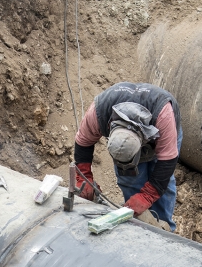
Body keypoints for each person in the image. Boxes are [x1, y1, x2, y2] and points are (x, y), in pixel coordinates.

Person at [73, 82, 183, 232]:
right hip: (135, 133)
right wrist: (84, 176)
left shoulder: (163, 116)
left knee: (163, 185)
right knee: (131, 181)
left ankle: (163, 229)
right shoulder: (99, 112)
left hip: (162, 130)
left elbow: (167, 162)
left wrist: (147, 196)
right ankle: (135, 228)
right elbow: (83, 142)